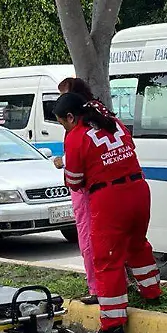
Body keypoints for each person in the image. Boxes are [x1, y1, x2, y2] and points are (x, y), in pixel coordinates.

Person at [54, 92, 161, 333]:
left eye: (62, 123)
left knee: (107, 259)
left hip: (109, 197)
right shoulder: (113, 123)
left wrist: (65, 169)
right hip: (138, 189)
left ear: (70, 117)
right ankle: (152, 292)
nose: (64, 128)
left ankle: (113, 325)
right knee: (137, 244)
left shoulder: (76, 137)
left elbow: (76, 181)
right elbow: (129, 149)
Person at [52, 77, 99, 305]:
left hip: (86, 191)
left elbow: (76, 175)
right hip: (99, 190)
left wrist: (65, 164)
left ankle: (96, 288)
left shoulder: (78, 130)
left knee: (88, 239)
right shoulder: (99, 118)